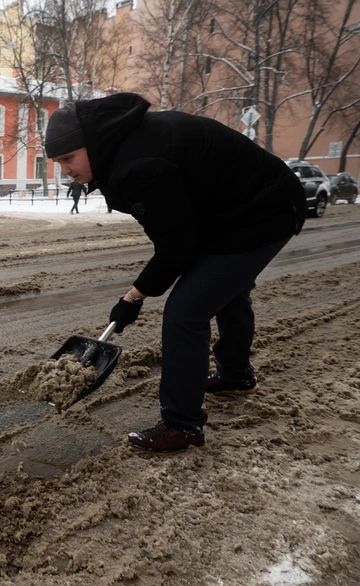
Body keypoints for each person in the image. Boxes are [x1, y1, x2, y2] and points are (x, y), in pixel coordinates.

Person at [44, 93, 306, 453]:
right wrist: (137, 294)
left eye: (68, 158)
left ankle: (183, 426)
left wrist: (133, 296)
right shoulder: (125, 147)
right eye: (58, 162)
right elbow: (179, 234)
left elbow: (177, 248)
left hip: (265, 211)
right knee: (225, 289)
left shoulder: (137, 165)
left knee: (186, 311)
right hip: (234, 210)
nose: (66, 171)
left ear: (91, 143)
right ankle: (235, 373)